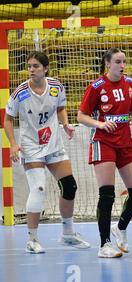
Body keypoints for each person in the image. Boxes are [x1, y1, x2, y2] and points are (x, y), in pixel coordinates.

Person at [3, 51, 90, 254]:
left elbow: (60, 108)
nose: (31, 70)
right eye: (29, 66)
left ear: (45, 68)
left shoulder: (56, 87)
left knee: (69, 186)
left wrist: (66, 124)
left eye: (35, 66)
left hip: (53, 143)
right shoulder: (20, 92)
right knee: (39, 189)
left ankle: (68, 234)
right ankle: (32, 240)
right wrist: (13, 144)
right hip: (31, 146)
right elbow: (7, 118)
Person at [77, 48, 132, 258]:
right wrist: (100, 123)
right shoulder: (97, 86)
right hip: (104, 142)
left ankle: (121, 227)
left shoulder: (131, 84)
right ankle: (104, 245)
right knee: (107, 195)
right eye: (118, 61)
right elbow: (82, 116)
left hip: (125, 142)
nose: (122, 65)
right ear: (108, 63)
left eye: (124, 61)